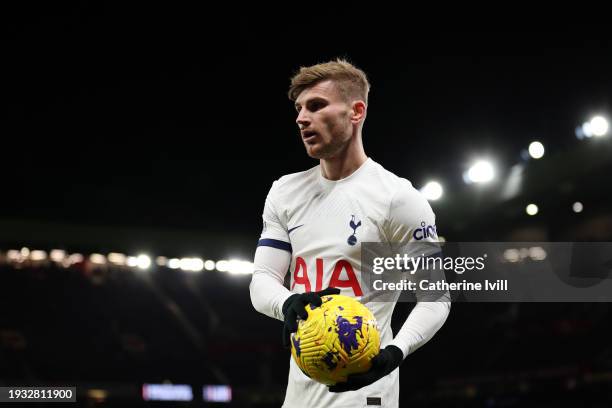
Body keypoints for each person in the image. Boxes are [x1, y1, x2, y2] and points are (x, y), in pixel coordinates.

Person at [249, 58, 451, 408]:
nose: (301, 118)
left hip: (366, 393)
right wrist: (287, 303)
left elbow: (436, 298)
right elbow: (262, 279)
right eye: (299, 108)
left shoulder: (397, 198)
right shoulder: (284, 192)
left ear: (356, 112)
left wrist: (394, 352)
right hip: (298, 394)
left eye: (316, 105)